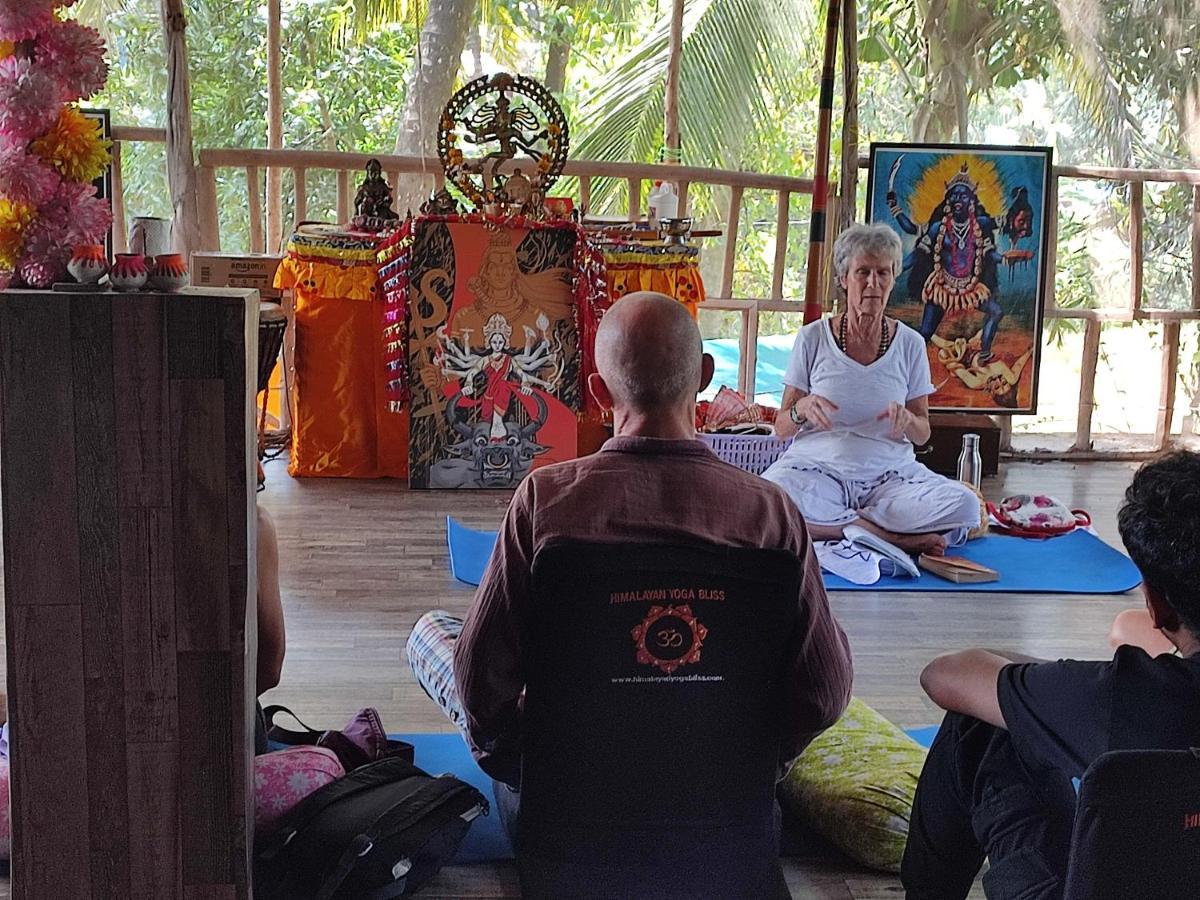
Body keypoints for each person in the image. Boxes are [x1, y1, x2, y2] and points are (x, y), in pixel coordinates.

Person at [407, 291, 853, 839]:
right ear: (706, 376)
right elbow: (825, 693)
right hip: (720, 802)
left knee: (434, 632)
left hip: (567, 802)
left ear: (598, 392)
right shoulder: (772, 514)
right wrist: (758, 763)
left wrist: (526, 760)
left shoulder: (545, 503)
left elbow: (479, 683)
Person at [901, 451, 1200, 899]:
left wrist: (1049, 684)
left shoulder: (1127, 696)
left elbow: (944, 675)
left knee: (983, 726)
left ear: (1155, 605)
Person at [763, 223, 980, 556]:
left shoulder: (910, 344)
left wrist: (907, 420)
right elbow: (781, 428)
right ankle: (885, 535)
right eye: (862, 272)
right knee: (770, 499)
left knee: (965, 504)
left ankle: (847, 526)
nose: (872, 283)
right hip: (817, 471)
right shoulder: (813, 338)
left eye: (883, 273)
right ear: (843, 279)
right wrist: (801, 409)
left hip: (889, 479)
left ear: (894, 279)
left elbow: (922, 434)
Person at [931, 331, 1033, 408]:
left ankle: (927, 333)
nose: (998, 380)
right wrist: (1030, 351)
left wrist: (959, 352)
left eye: (997, 387)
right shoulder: (1012, 379)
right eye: (1004, 383)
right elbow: (1019, 365)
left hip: (965, 353)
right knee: (990, 324)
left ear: (992, 393)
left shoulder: (975, 382)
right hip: (981, 345)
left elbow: (955, 367)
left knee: (944, 349)